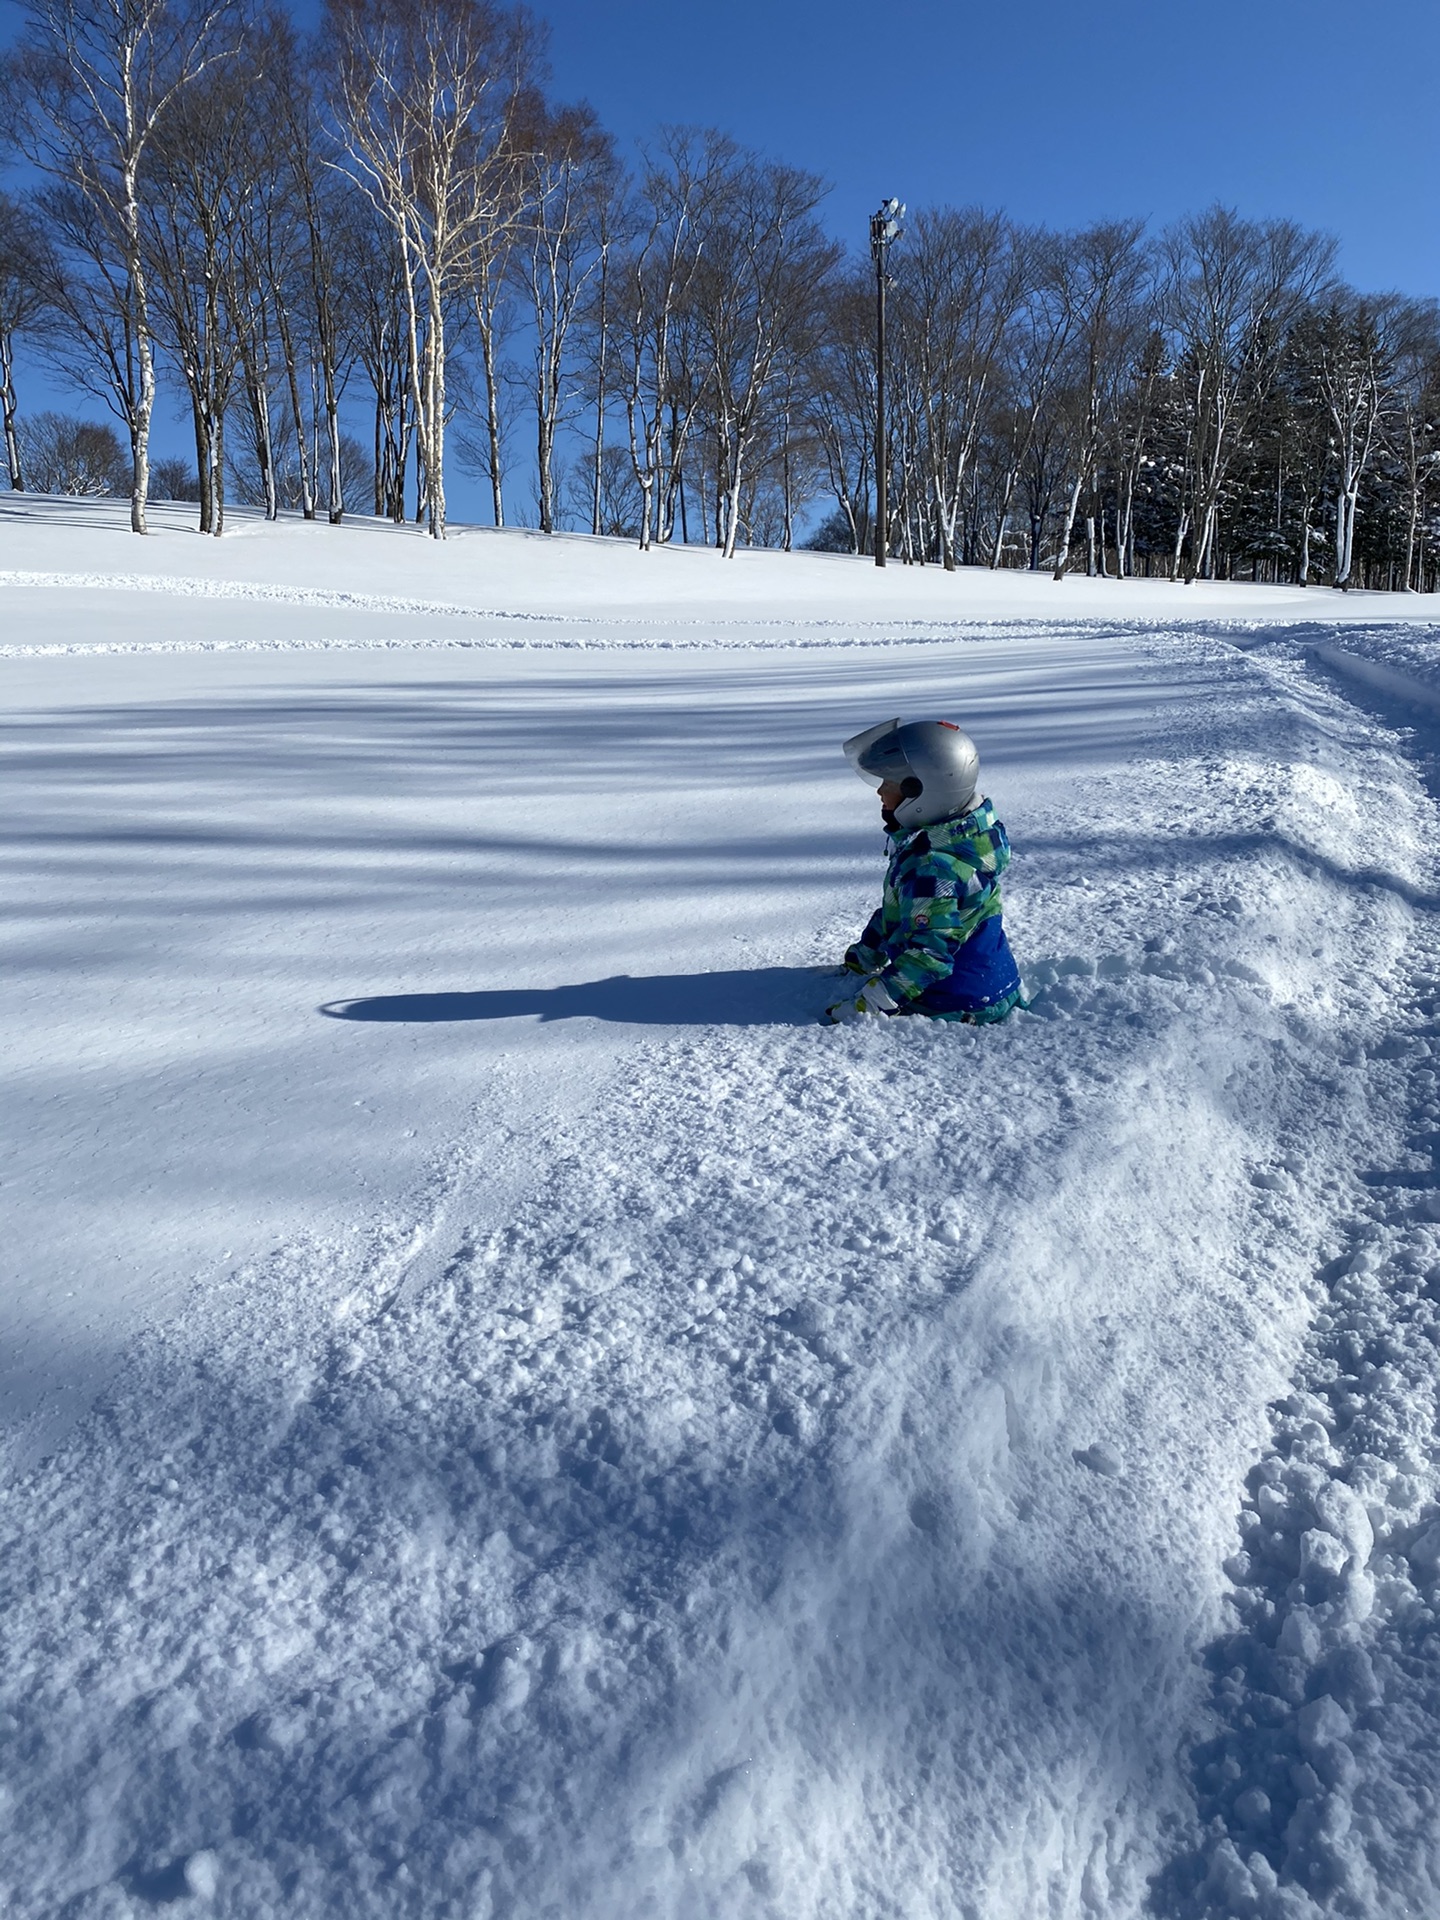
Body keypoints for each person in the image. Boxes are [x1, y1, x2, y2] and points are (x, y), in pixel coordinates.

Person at [824, 717, 1026, 1026]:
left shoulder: (933, 867)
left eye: (888, 784)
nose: (879, 792)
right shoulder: (962, 840)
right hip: (990, 982)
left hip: (958, 1001)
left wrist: (867, 1006)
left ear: (922, 794)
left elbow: (929, 956)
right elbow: (905, 913)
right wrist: (866, 955)